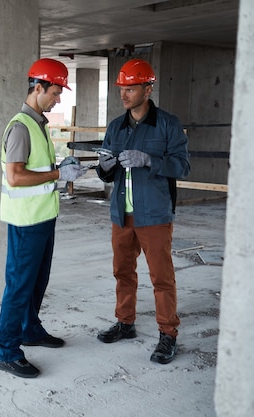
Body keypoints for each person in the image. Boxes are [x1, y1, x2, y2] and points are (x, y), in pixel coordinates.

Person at [0, 58, 87, 378]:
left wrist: (60, 168)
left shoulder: (39, 125)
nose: (58, 98)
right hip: (26, 221)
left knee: (37, 282)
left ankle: (30, 330)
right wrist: (60, 173)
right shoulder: (21, 126)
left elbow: (39, 170)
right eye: (56, 92)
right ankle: (7, 351)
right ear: (38, 88)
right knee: (19, 287)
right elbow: (16, 177)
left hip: (43, 218)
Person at [95, 58, 190, 364]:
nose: (124, 94)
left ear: (148, 89)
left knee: (161, 277)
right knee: (123, 272)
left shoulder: (168, 124)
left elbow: (182, 166)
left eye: (131, 88)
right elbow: (105, 173)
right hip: (121, 214)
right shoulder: (115, 127)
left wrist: (149, 160)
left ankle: (168, 333)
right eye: (121, 87)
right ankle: (125, 323)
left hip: (154, 215)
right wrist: (104, 167)